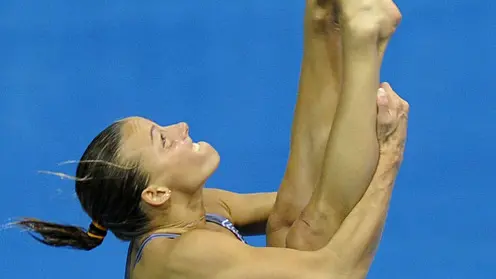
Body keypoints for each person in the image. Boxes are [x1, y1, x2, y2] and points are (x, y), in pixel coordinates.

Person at [16, 0, 407, 278]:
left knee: (297, 221)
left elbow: (323, 201)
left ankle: (327, 22)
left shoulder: (194, 209)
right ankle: (362, 39)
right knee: (313, 236)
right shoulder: (185, 255)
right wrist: (389, 153)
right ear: (156, 194)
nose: (180, 127)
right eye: (164, 141)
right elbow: (337, 272)